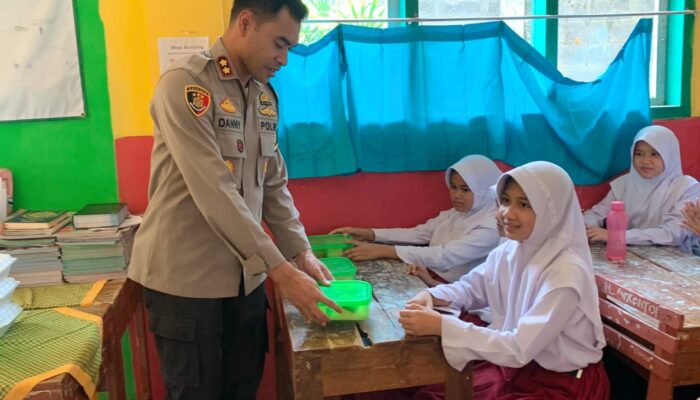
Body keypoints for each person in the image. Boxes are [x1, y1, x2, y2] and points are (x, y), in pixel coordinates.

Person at [127, 1, 341, 398]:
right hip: (186, 283)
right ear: (245, 23)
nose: (285, 59)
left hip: (246, 282)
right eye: (279, 44)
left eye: (291, 47)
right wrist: (281, 271)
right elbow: (215, 191)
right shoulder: (185, 84)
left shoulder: (263, 97)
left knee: (242, 390)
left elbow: (273, 186)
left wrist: (301, 252)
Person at [361, 161, 609, 400]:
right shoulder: (512, 249)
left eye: (523, 204)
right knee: (412, 387)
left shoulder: (565, 273)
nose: (508, 213)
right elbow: (472, 287)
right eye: (505, 201)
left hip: (559, 385)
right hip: (514, 370)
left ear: (551, 212)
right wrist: (432, 296)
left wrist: (443, 326)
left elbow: (518, 347)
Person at [331, 155, 502, 286]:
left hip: (459, 291)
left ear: (485, 189)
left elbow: (445, 256)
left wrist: (384, 250)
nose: (456, 195)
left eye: (465, 189)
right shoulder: (459, 213)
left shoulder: (492, 226)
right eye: (453, 187)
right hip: (429, 275)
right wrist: (370, 234)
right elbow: (420, 233)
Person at [584, 125, 700, 247]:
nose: (645, 161)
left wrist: (616, 236)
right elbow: (598, 213)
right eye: (639, 154)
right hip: (635, 253)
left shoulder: (688, 188)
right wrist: (585, 227)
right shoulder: (625, 183)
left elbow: (672, 234)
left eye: (654, 154)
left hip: (678, 257)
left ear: (669, 155)